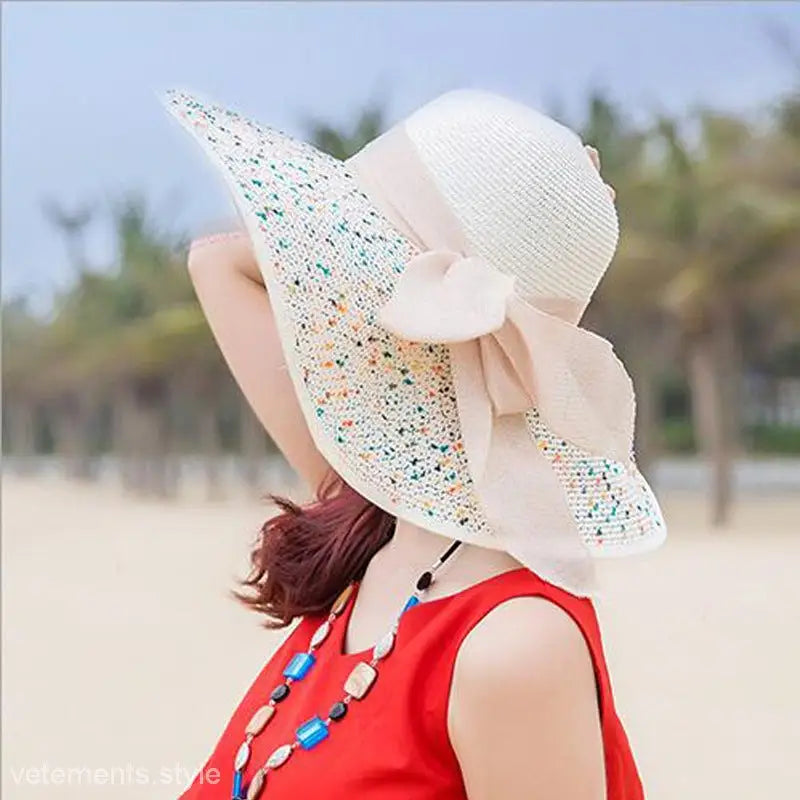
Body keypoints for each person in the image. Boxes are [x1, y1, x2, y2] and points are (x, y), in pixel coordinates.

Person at [162, 87, 666, 800]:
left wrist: (374, 239)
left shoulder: (513, 645)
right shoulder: (381, 517)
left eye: (345, 264)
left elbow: (224, 262)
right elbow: (216, 264)